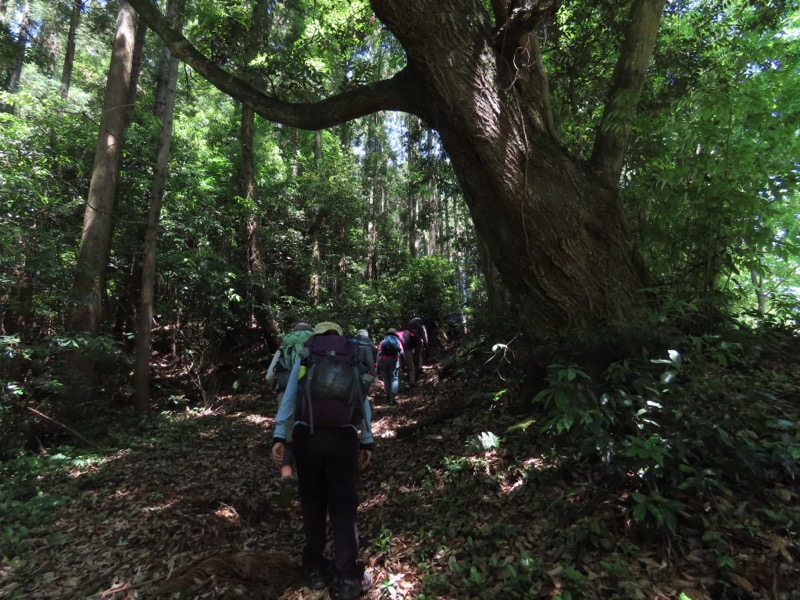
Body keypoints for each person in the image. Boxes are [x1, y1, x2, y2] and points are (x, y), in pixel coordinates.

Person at [271, 321, 374, 599]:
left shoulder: (306, 357)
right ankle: (349, 578)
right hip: (343, 437)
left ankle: (314, 569)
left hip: (308, 435)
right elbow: (362, 401)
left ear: (315, 338)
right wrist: (366, 439)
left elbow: (289, 399)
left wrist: (280, 436)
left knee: (313, 501)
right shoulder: (350, 358)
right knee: (343, 505)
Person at [265, 322, 314, 506]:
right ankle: (307, 480)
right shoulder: (312, 346)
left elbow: (269, 376)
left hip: (284, 394)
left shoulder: (283, 348)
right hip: (307, 396)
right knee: (306, 433)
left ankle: (286, 477)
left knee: (286, 439)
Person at [376, 328, 403, 405]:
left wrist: (377, 364)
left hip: (384, 361)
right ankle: (392, 396)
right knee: (394, 378)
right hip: (394, 360)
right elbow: (402, 352)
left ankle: (387, 394)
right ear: (395, 333)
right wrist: (403, 363)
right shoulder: (397, 341)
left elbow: (378, 353)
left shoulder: (383, 341)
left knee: (386, 377)